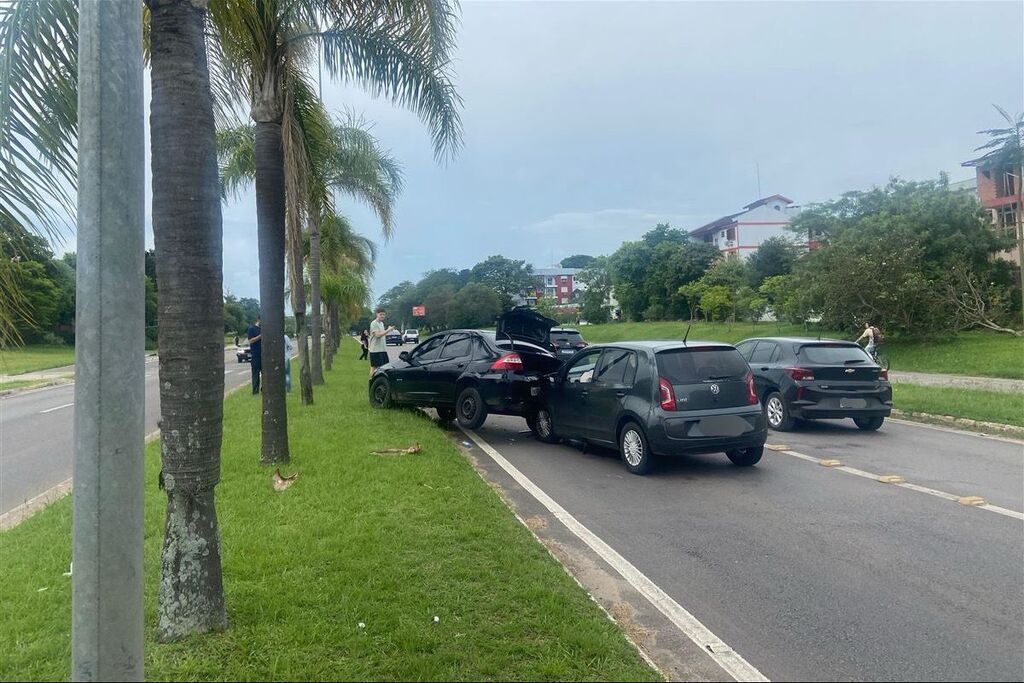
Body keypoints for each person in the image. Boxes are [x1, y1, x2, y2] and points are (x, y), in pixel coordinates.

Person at [368, 308, 394, 377]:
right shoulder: (374, 323)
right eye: (381, 314)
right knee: (374, 367)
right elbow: (377, 335)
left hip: (383, 349)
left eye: (383, 315)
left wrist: (388, 330)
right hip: (375, 350)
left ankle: (381, 380)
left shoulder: (382, 323)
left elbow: (382, 334)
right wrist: (388, 330)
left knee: (385, 366)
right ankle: (372, 380)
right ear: (377, 314)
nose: (382, 316)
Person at [247, 316, 262, 394]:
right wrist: (260, 336)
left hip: (264, 354)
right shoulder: (252, 329)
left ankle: (264, 390)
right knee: (255, 373)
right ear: (258, 320)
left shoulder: (264, 328)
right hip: (255, 355)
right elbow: (251, 340)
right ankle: (255, 390)